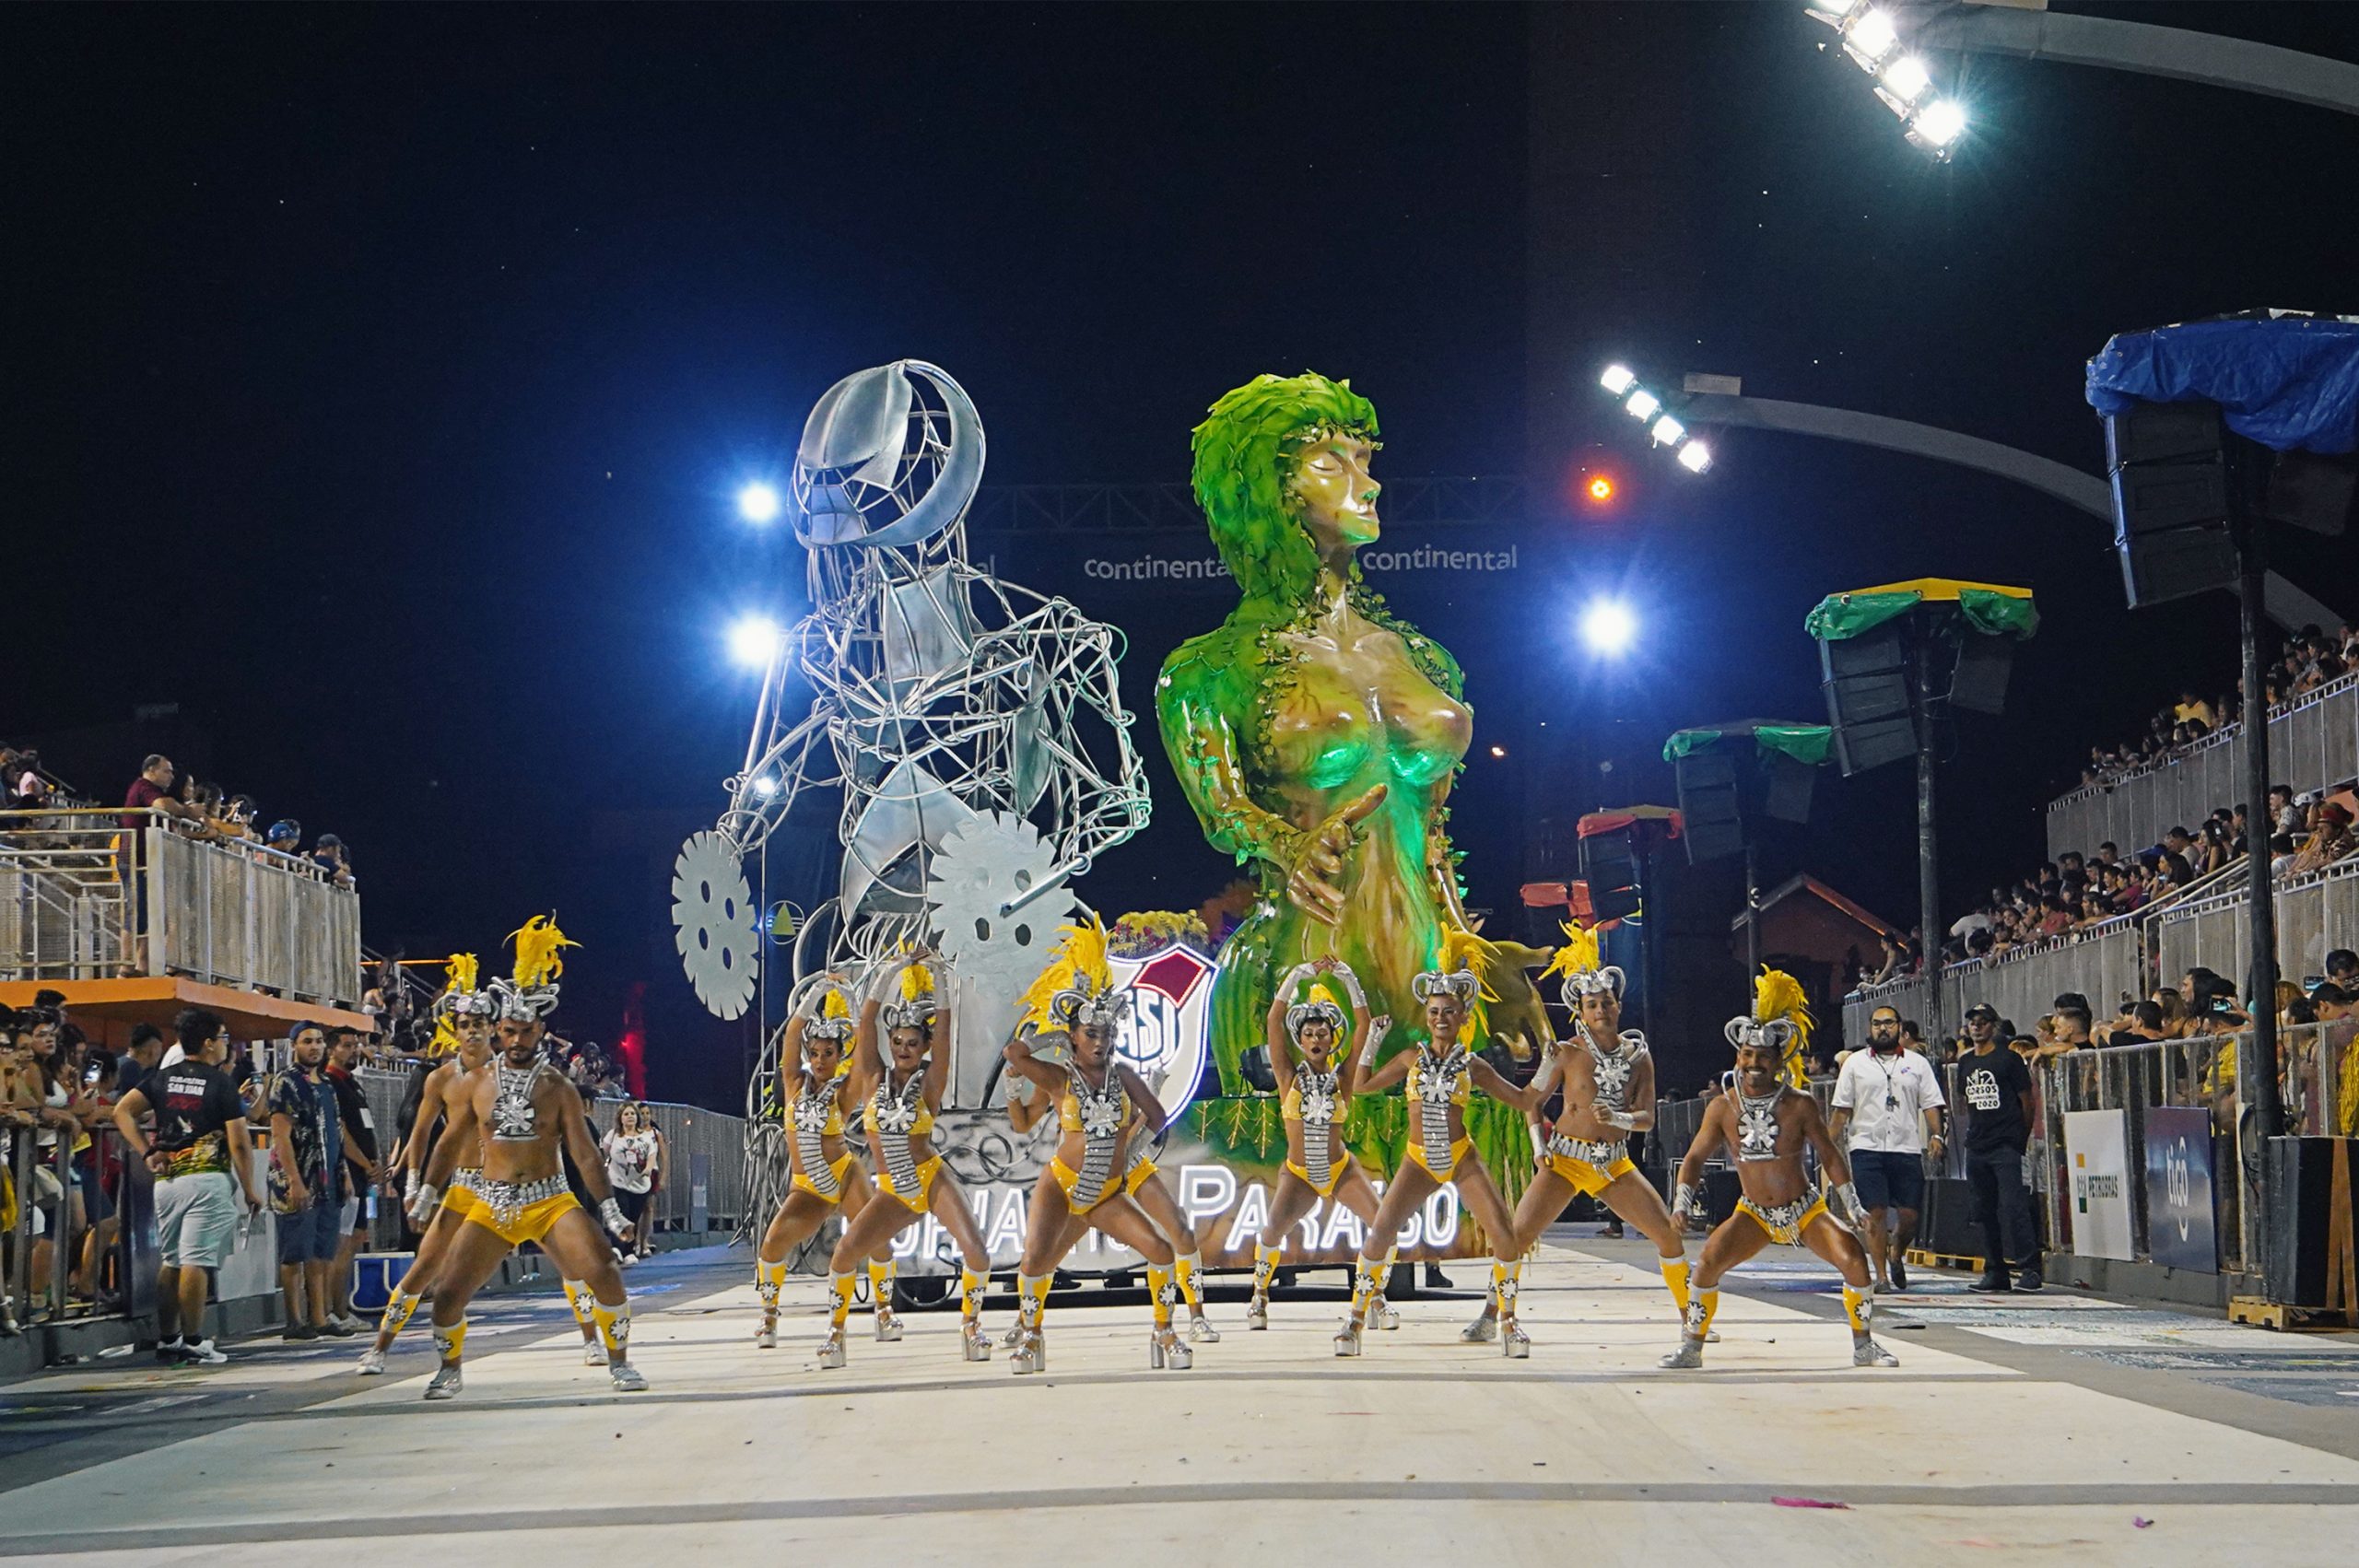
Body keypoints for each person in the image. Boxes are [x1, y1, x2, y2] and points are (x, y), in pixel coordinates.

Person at [408, 916, 646, 1398]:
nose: (517, 1041)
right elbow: (450, 1142)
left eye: (526, 1031)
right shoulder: (475, 1084)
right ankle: (449, 1369)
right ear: (498, 1029)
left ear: (541, 1029)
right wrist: (425, 1194)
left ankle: (619, 1363)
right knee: (449, 1293)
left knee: (603, 1270)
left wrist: (611, 1210)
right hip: (492, 1201)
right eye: (509, 1031)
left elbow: (583, 1153)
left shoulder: (559, 1088)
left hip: (549, 1198)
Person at [1461, 929, 1694, 1347]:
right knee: (1515, 1237)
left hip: (1615, 1163)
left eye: (1606, 1002)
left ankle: (1689, 1320)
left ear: (1619, 1006)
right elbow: (1531, 1099)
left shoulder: (1639, 1056)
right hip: (1565, 1161)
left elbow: (1647, 1118)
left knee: (1668, 1236)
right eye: (1592, 1005)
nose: (1601, 1009)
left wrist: (1619, 1116)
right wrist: (1538, 1148)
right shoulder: (1565, 1052)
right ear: (1580, 1012)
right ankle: (1490, 1315)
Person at [1332, 935, 1551, 1359]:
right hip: (1418, 1161)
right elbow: (1360, 1086)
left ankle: (1507, 1321)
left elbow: (1524, 1101)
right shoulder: (1411, 1057)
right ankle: (1356, 1319)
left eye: (1449, 1011)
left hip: (1460, 1157)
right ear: (1426, 1016)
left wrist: (1548, 1066)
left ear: (1464, 1014)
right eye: (1434, 1012)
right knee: (1380, 1232)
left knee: (1505, 1236)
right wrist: (1372, 1043)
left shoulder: (1474, 1064)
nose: (1441, 1018)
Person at [1659, 999, 1895, 1372]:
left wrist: (1853, 1206)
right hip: (1753, 1213)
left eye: (1764, 1056)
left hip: (1804, 1209)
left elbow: (1830, 1154)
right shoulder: (1722, 1107)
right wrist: (1681, 1204)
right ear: (1738, 1056)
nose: (1754, 1063)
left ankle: (1864, 1345)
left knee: (1853, 1259)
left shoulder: (1800, 1105)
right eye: (1748, 1054)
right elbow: (1693, 1160)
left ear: (1780, 1061)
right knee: (1705, 1264)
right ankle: (1691, 1347)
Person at [1000, 919, 1193, 1375]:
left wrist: (1128, 1149)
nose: (1101, 1042)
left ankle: (1165, 1332)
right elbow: (1015, 1056)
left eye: (1106, 1034)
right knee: (1036, 1260)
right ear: (1075, 1037)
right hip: (1062, 1188)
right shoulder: (1059, 1078)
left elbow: (1159, 1118)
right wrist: (1059, 1032)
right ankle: (1031, 1336)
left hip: (1105, 1193)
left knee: (1161, 1249)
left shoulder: (1124, 1075)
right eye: (1091, 1034)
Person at [818, 955, 995, 1366]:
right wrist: (887, 973)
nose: (903, 1050)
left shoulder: (931, 1079)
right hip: (893, 1191)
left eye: (913, 1043)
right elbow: (866, 1025)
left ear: (924, 1046)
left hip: (930, 1178)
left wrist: (937, 977)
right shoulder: (873, 1078)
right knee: (845, 1253)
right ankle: (835, 1333)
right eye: (897, 1042)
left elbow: (946, 1032)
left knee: (977, 1253)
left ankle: (971, 1327)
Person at [1239, 956, 1394, 1333]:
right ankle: (1259, 1294)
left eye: (1322, 1033)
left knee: (1383, 1227)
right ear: (1300, 1039)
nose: (1315, 1039)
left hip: (1341, 1169)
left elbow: (1362, 1026)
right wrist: (1296, 974)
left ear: (1331, 1038)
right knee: (1273, 1232)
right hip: (1299, 1174)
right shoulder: (1286, 1075)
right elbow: (1274, 1022)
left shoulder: (1344, 1078)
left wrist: (1348, 976)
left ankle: (1374, 1297)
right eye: (1309, 1034)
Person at [360, 958, 496, 1375]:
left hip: (512, 1185)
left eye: (479, 1023)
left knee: (573, 1255)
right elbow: (418, 1133)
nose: (471, 1031)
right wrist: (417, 1186)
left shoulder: (514, 1074)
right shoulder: (440, 1078)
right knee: (426, 1266)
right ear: (453, 1030)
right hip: (463, 1184)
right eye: (464, 1023)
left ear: (492, 1027)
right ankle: (379, 1348)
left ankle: (598, 1345)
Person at [747, 978, 895, 1351]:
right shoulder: (793, 1082)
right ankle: (768, 1316)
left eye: (828, 1052)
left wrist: (848, 1000)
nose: (819, 1059)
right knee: (772, 1244)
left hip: (844, 1176)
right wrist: (813, 995)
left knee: (875, 1239)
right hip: (807, 1187)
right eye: (814, 1052)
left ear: (838, 1055)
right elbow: (790, 1038)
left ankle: (884, 1309)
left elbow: (865, 1051)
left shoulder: (845, 1090)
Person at [110, 1009, 263, 1364]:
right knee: (197, 1259)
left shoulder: (160, 1078)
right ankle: (194, 1340)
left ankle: (169, 1338)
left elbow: (121, 1111)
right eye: (224, 1039)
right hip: (207, 1178)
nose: (226, 1046)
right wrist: (250, 1189)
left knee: (172, 1260)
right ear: (209, 1044)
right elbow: (239, 1143)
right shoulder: (221, 1082)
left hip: (167, 1181)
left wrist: (147, 1150)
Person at [1828, 1005, 1946, 1294]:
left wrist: (1937, 1135)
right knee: (1875, 1213)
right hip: (1866, 1146)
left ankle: (1897, 1252)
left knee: (1910, 1216)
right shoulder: (1855, 1064)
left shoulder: (1917, 1064)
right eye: (1877, 1023)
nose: (1883, 1028)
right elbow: (1842, 1110)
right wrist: (1827, 1145)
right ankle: (1881, 1276)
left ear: (1899, 1026)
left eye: (1889, 1023)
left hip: (1906, 1147)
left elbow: (1931, 1103)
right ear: (1870, 1028)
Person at [266, 1024, 349, 1340]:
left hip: (327, 1179)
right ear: (293, 1045)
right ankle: (294, 1320)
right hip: (297, 1179)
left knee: (320, 1252)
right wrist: (294, 1180)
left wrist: (342, 1172)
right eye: (307, 1041)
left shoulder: (327, 1083)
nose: (314, 1047)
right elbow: (281, 1137)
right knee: (294, 1252)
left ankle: (318, 1316)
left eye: (318, 1042)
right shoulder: (285, 1083)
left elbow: (335, 1132)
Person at [1956, 1002, 2040, 1293]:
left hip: (2005, 1144)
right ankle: (1995, 1271)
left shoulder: (2009, 1060)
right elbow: (1964, 1102)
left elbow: (2027, 1101)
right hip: (1977, 1146)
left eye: (1982, 1021)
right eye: (1972, 1022)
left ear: (1993, 1025)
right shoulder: (1965, 1062)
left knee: (2014, 1206)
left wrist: (2020, 1138)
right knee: (1983, 1210)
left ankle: (2029, 1268)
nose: (1976, 1026)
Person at [321, 1029, 380, 1331]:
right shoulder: (331, 1083)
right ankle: (335, 1312)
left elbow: (362, 1126)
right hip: (347, 1173)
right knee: (342, 1245)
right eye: (347, 1046)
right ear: (331, 1050)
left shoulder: (351, 1083)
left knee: (355, 1240)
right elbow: (339, 1131)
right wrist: (362, 1163)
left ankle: (342, 1310)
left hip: (361, 1173)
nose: (354, 1050)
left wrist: (373, 1162)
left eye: (356, 1045)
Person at [602, 1102, 661, 1265]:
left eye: (633, 1114)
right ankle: (618, 1249)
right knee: (622, 1213)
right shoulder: (613, 1135)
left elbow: (651, 1155)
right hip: (618, 1181)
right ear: (620, 1118)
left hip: (640, 1184)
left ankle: (629, 1250)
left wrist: (648, 1169)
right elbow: (603, 1153)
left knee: (634, 1216)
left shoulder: (646, 1136)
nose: (630, 1117)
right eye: (626, 1114)